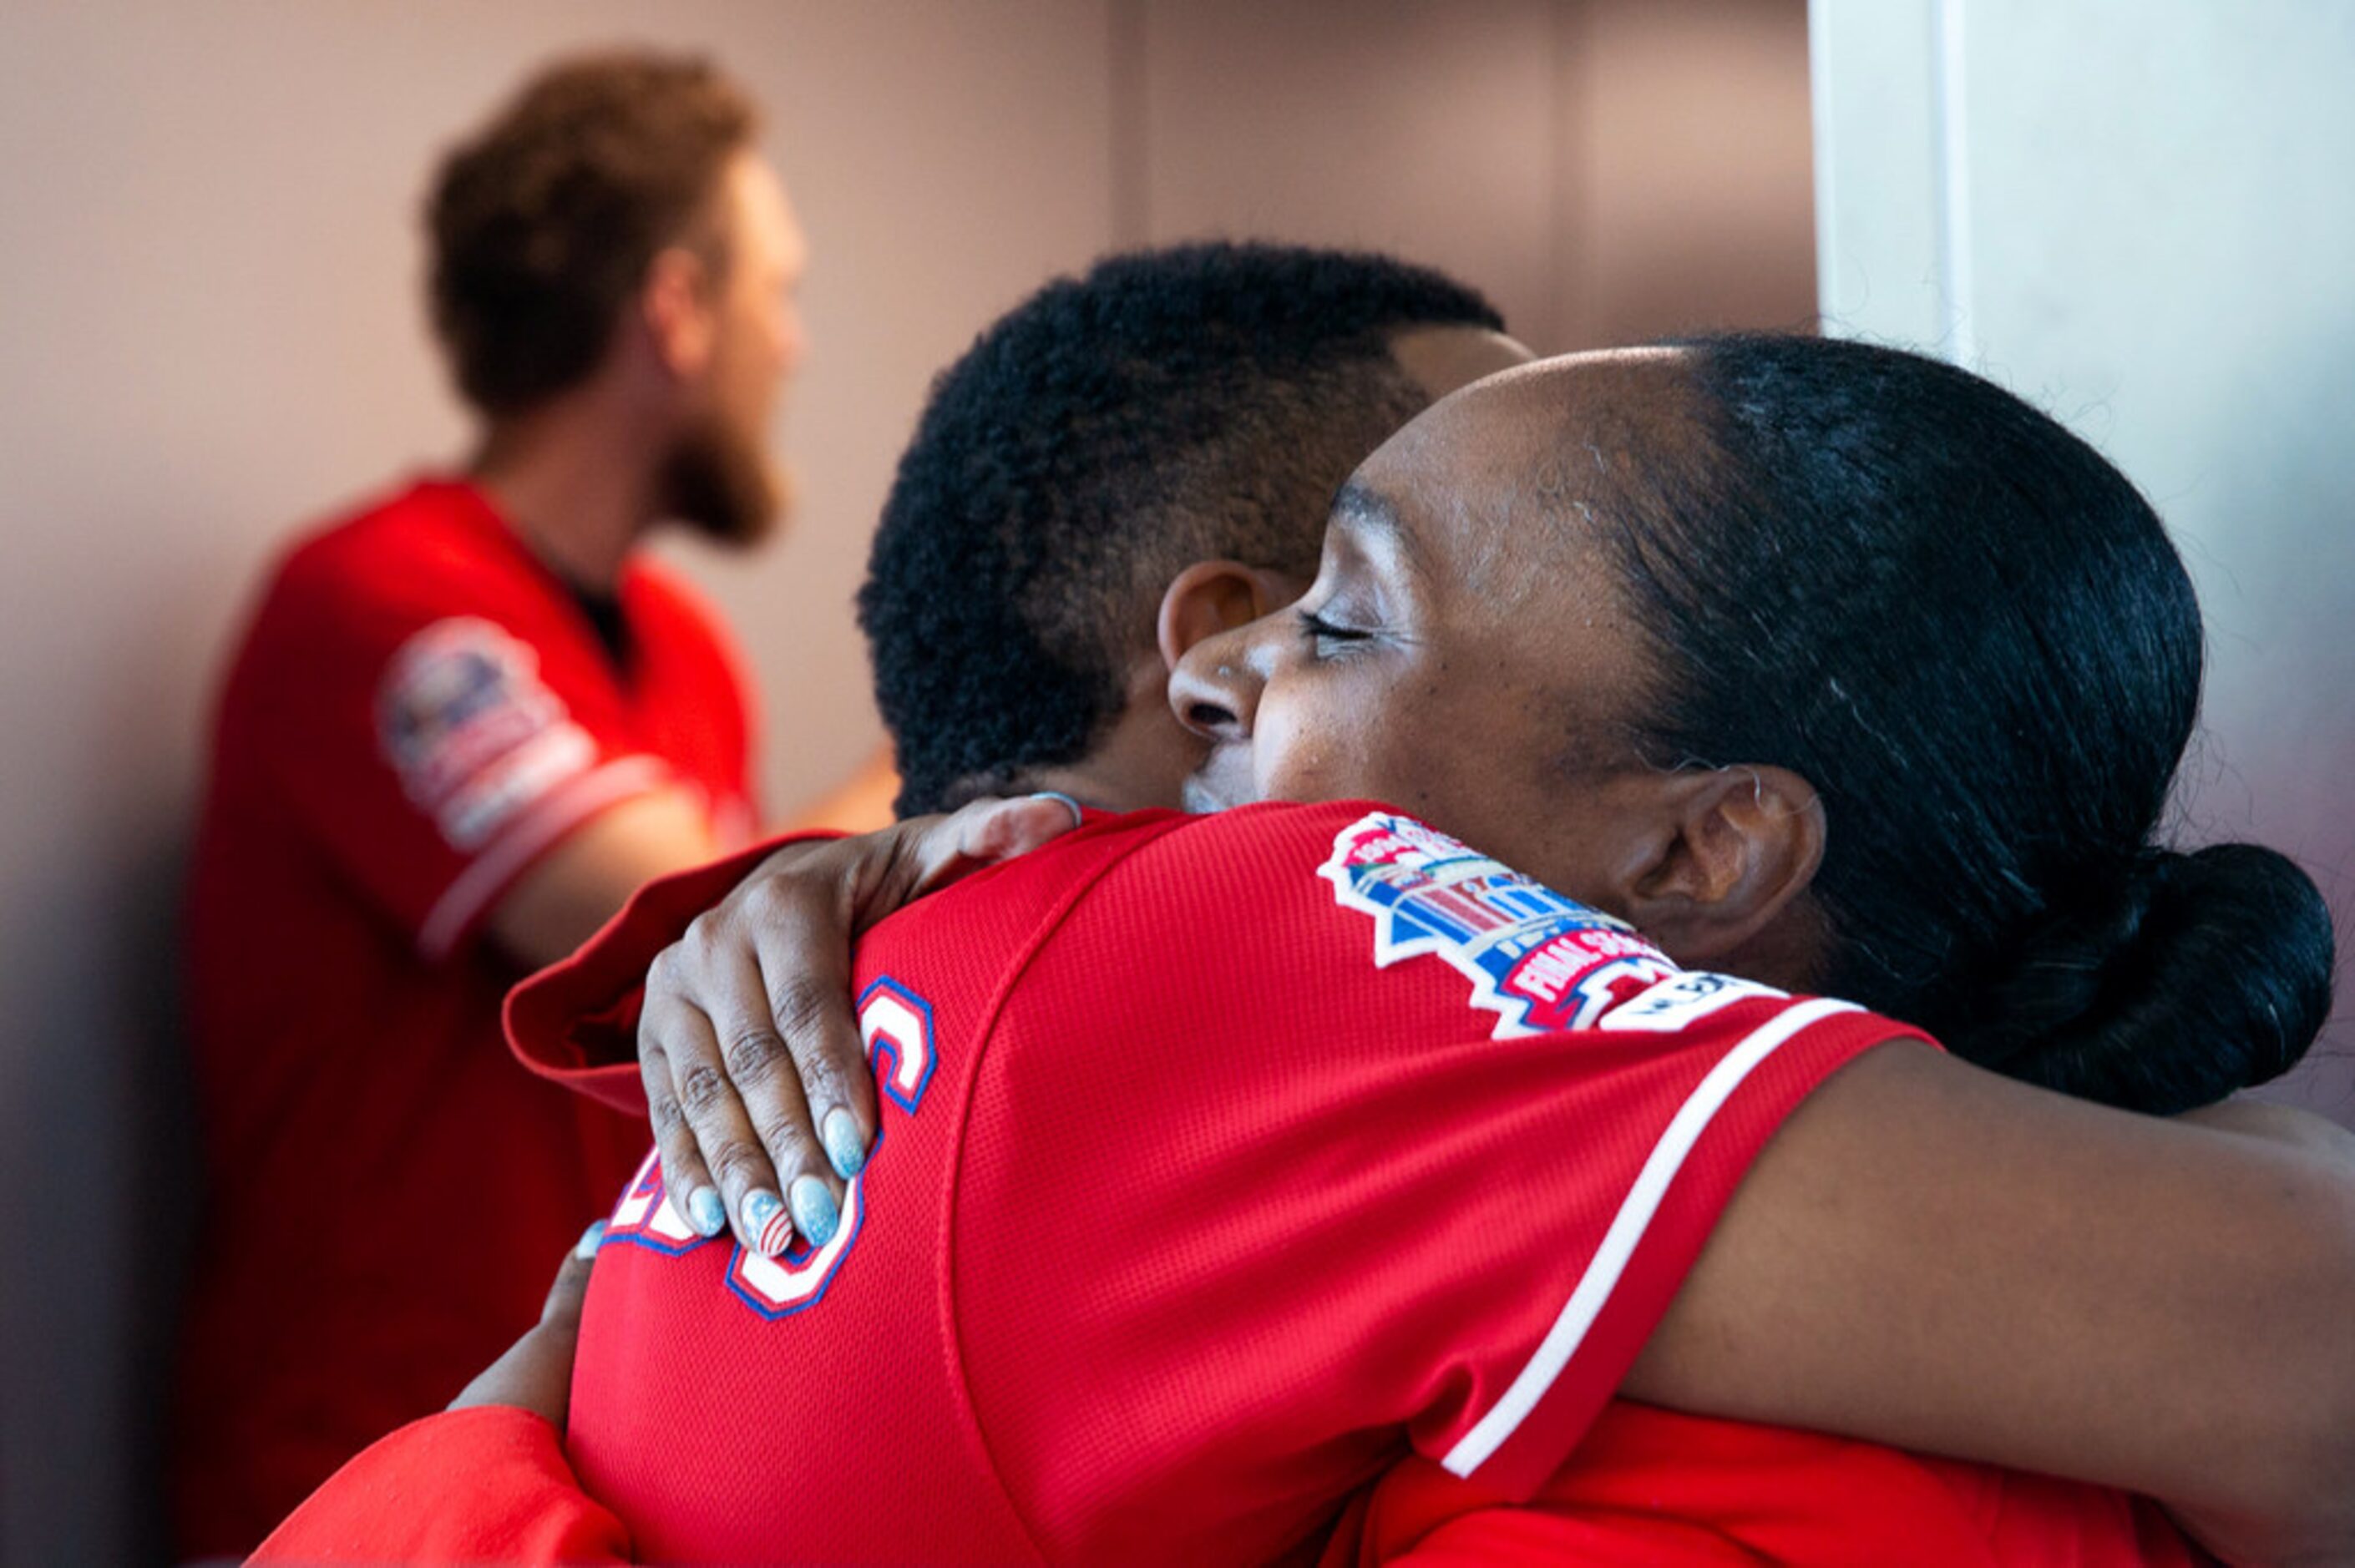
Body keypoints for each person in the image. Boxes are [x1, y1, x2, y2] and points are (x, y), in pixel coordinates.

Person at [263, 329, 2350, 1560]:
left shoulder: (1282, 978)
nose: (1222, 662)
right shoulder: (1271, 948)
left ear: (1713, 843)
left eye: (1343, 616)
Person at [172, 48, 806, 1555]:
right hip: (353, 1484)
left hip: (593, 1471)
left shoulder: (691, 653)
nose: (792, 343)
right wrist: (993, 691)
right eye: (778, 291)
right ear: (675, 312)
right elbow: (677, 921)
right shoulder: (382, 606)